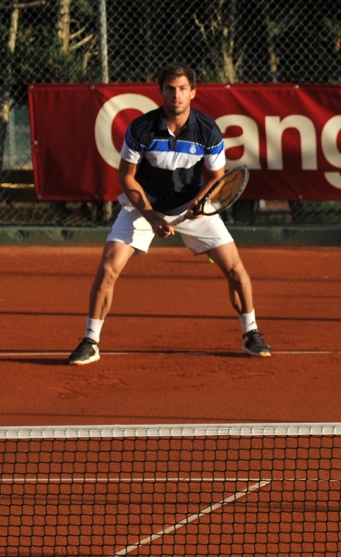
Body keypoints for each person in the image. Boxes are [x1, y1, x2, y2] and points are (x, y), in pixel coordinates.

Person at [67, 62, 271, 365]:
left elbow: (218, 177)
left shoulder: (207, 130)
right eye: (171, 89)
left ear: (193, 92)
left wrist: (200, 203)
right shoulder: (142, 127)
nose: (177, 95)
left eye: (183, 89)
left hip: (192, 207)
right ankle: (90, 340)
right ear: (160, 91)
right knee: (109, 268)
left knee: (236, 270)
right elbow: (126, 176)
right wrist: (151, 216)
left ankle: (250, 333)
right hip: (144, 206)